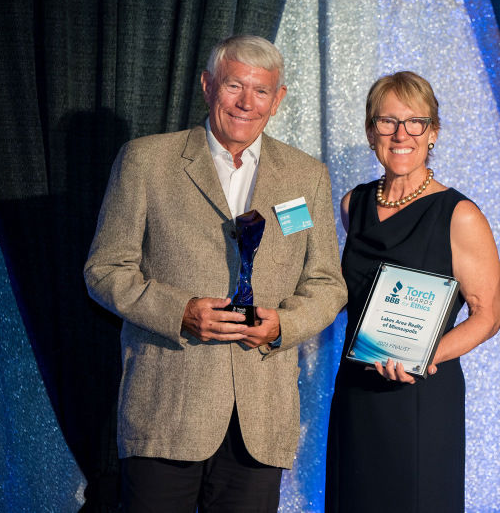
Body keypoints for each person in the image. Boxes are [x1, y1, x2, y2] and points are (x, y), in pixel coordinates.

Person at [84, 35, 347, 512]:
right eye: (234, 86)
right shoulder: (147, 160)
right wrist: (179, 311)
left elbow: (327, 283)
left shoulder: (306, 175)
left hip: (260, 419)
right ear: (207, 86)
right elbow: (105, 268)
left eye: (261, 91)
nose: (247, 102)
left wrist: (284, 325)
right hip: (167, 411)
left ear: (279, 99)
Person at [325, 71, 500, 512]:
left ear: (433, 132)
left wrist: (423, 357)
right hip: (357, 392)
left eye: (415, 122)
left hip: (420, 394)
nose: (401, 134)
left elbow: (487, 316)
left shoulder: (459, 215)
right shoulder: (354, 205)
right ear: (371, 133)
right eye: (387, 122)